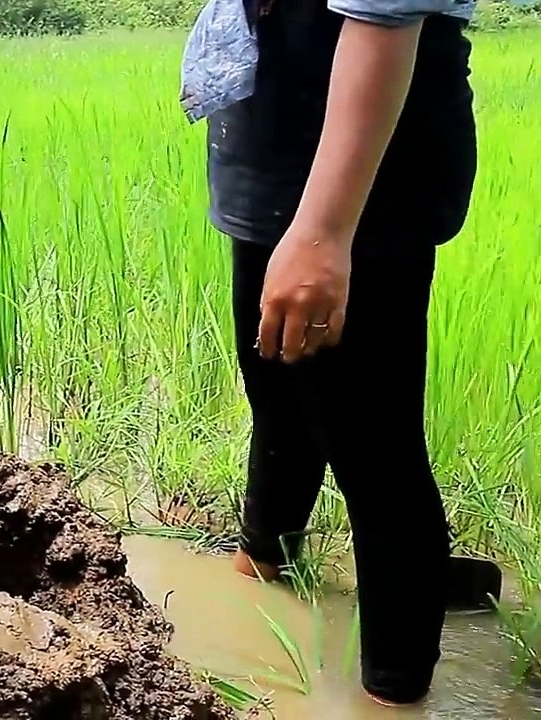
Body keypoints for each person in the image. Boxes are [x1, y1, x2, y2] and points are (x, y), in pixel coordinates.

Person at [181, 0, 476, 708]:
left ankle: (394, 692)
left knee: (373, 445)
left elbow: (386, 14)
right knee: (275, 385)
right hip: (272, 128)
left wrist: (321, 232)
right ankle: (261, 568)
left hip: (358, 163)